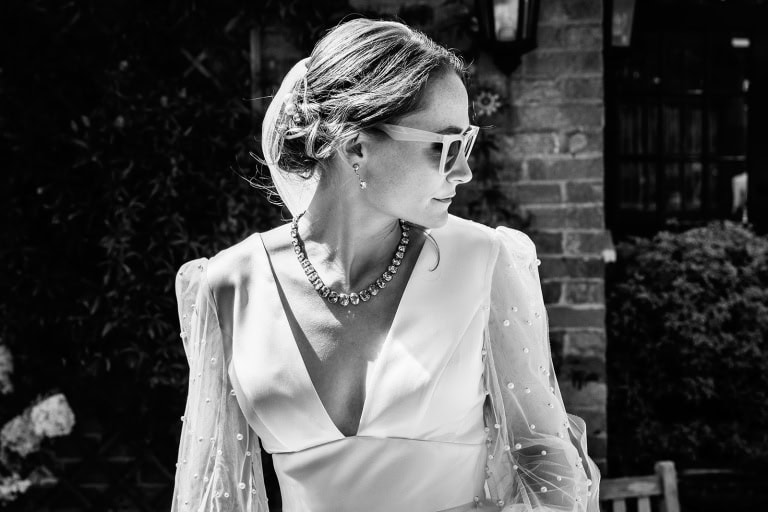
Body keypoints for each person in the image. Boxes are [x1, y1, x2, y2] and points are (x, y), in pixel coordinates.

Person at [170, 17, 601, 512]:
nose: (464, 171)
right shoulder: (227, 284)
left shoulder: (485, 261)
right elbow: (212, 492)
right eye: (445, 146)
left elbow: (546, 461)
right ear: (356, 147)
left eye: (468, 143)